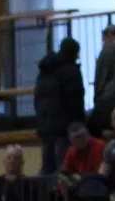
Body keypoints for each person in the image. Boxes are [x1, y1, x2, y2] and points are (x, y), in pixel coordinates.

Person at [34, 36, 87, 175]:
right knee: (64, 171)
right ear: (74, 53)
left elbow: (38, 98)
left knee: (48, 171)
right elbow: (75, 101)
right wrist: (81, 124)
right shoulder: (71, 71)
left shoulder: (45, 71)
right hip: (64, 128)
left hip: (45, 127)